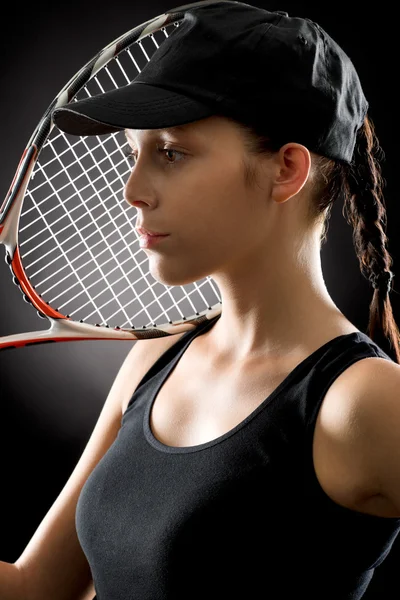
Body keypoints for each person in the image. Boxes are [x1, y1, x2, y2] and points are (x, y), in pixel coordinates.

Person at [2, 1, 400, 598]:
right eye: (134, 154)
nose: (133, 191)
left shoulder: (360, 401)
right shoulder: (154, 361)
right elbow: (37, 589)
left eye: (170, 152)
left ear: (286, 169)